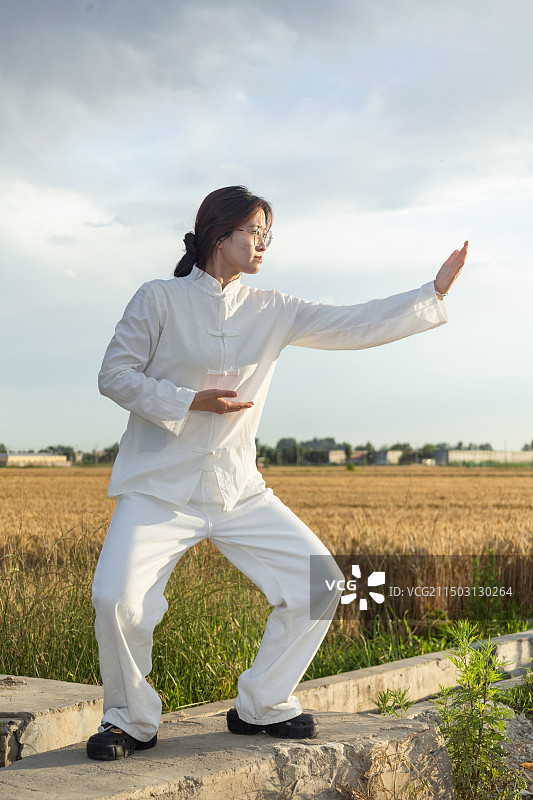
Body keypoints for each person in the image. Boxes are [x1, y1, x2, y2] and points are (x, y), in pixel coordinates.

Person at [87, 185, 468, 760]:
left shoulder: (273, 309)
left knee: (320, 583)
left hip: (239, 489)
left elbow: (351, 323)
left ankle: (262, 704)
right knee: (116, 598)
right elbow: (114, 375)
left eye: (269, 236)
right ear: (219, 233)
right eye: (254, 233)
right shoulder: (159, 299)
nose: (263, 244)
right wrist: (191, 401)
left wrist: (431, 293)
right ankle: (130, 719)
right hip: (158, 488)